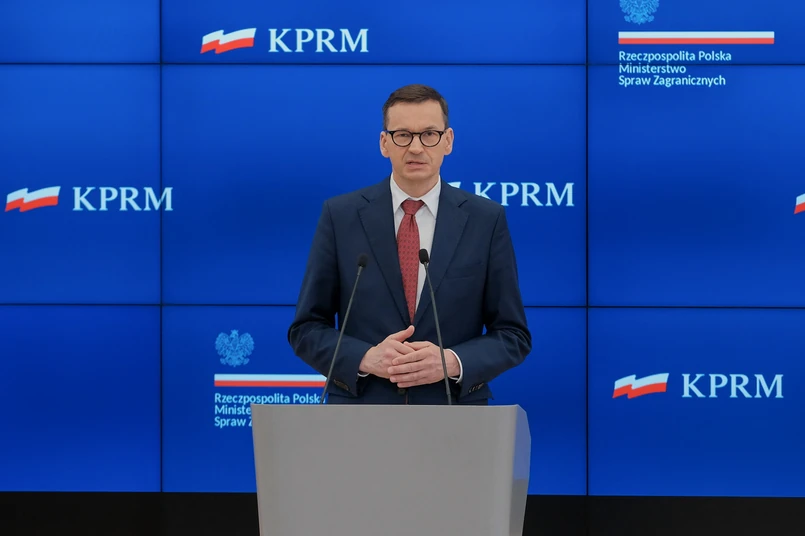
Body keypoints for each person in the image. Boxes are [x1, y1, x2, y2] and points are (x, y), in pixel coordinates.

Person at [287, 84, 531, 405]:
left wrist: (451, 362)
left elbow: (513, 335)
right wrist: (366, 358)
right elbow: (306, 328)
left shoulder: (485, 220)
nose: (416, 147)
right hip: (361, 413)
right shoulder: (341, 216)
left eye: (429, 134)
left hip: (452, 415)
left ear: (448, 141)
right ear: (384, 143)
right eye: (403, 135)